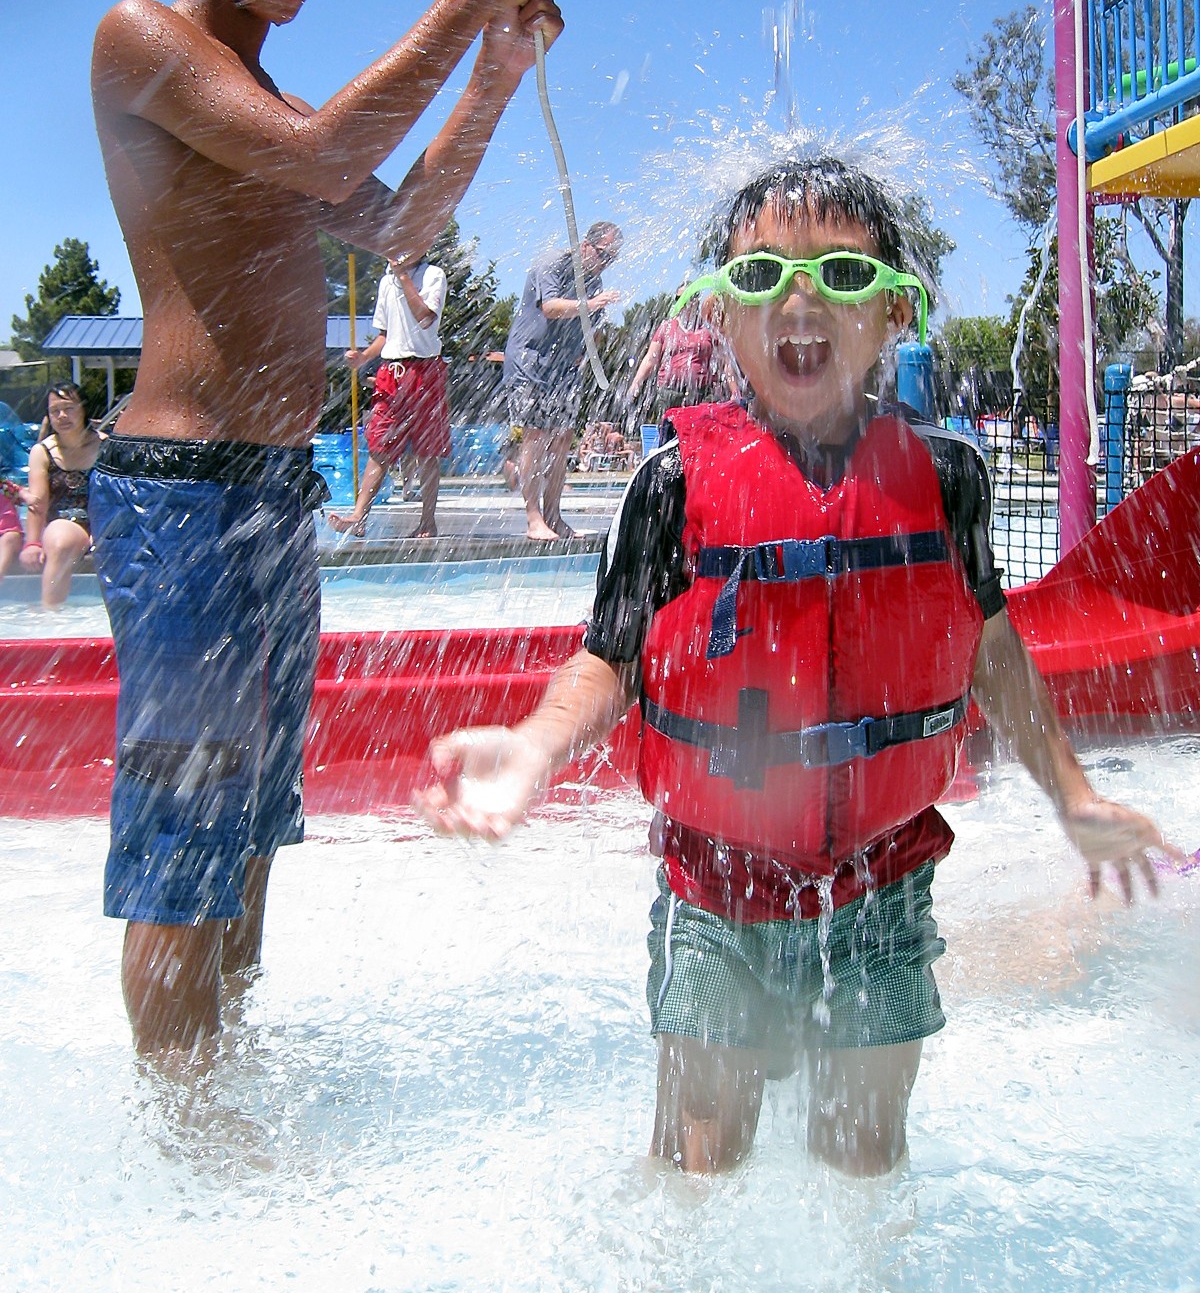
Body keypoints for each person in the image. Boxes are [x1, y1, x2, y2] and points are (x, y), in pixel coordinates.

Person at [423, 154, 1176, 1178]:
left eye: (844, 275)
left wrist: (1074, 795)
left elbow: (991, 646)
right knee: (700, 1162)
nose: (802, 298)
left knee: (867, 1164)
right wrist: (535, 744)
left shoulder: (947, 479)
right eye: (761, 276)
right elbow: (611, 659)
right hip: (718, 884)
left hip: (885, 877)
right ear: (720, 316)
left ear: (898, 311)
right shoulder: (673, 481)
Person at [89, 0, 573, 1063]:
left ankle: (221, 1095)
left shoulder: (264, 98)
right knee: (184, 826)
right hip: (181, 487)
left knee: (247, 824)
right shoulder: (140, 41)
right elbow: (320, 157)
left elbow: (404, 227)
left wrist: (497, 70)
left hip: (270, 488)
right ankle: (184, 1142)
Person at [503, 221, 622, 539]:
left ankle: (554, 516)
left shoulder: (594, 283)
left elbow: (588, 328)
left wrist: (585, 352)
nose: (606, 263)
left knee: (563, 439)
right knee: (536, 436)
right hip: (529, 361)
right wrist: (590, 304)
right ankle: (534, 519)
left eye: (612, 258)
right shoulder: (552, 262)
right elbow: (551, 307)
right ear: (586, 245)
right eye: (604, 255)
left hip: (562, 368)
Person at [328, 251, 450, 539]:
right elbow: (384, 334)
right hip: (392, 372)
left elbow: (424, 318)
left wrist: (404, 276)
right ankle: (359, 517)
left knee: (427, 451)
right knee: (379, 447)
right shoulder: (386, 282)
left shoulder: (433, 275)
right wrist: (364, 357)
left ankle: (427, 522)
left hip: (425, 370)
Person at [20, 383, 102, 608]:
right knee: (60, 541)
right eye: (55, 410)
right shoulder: (43, 452)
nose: (62, 415)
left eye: (69, 408)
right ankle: (53, 617)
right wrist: (32, 543)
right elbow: (38, 502)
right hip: (66, 522)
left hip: (104, 520)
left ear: (84, 408)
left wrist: (106, 529)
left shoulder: (106, 446)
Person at [626, 289, 732, 421]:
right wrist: (636, 382)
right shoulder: (667, 327)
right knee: (669, 435)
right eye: (679, 298)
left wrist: (733, 390)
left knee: (701, 434)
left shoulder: (707, 328)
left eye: (688, 297)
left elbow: (725, 361)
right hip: (669, 392)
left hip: (701, 392)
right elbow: (650, 359)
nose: (684, 302)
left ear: (696, 300)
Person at [0, 480, 24, 580]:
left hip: (9, 532)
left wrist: (28, 496)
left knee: (10, 538)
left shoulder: (4, 488)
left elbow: (22, 493)